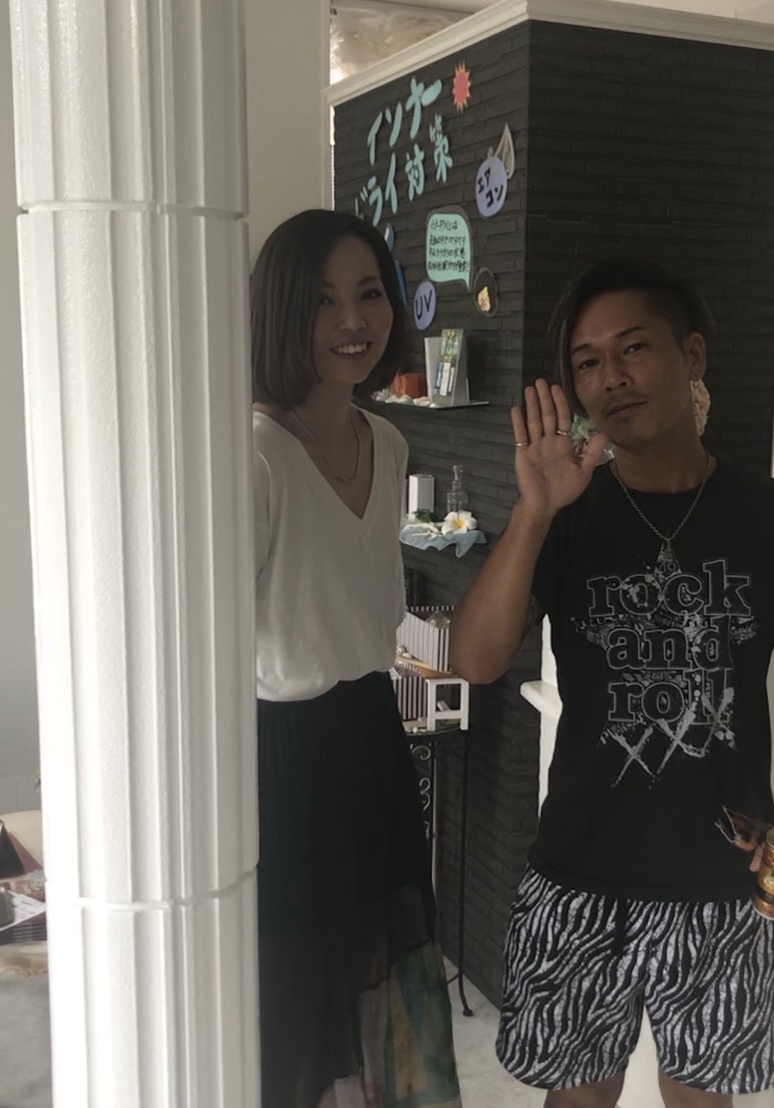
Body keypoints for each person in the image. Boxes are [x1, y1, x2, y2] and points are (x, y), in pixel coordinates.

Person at [449, 258, 774, 1107]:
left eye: (632, 348)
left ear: (692, 355)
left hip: (725, 880)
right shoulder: (566, 519)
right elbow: (476, 660)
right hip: (577, 869)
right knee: (577, 1099)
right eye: (587, 362)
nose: (611, 377)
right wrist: (534, 511)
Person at [251, 209, 462, 1108]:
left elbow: (376, 612)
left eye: (370, 294)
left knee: (386, 976)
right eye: (324, 300)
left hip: (372, 736)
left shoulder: (390, 440)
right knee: (294, 998)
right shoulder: (253, 454)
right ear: (282, 311)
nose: (353, 321)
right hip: (279, 755)